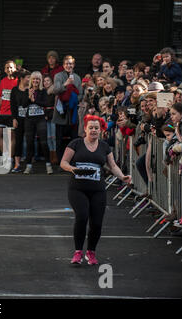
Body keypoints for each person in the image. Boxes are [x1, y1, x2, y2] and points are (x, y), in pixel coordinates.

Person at [60, 114, 131, 265]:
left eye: (96, 128)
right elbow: (63, 162)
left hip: (98, 189)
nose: (93, 130)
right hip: (77, 189)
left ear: (101, 130)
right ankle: (78, 252)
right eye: (90, 128)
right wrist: (73, 169)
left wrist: (122, 177)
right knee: (82, 216)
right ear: (85, 129)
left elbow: (112, 166)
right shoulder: (76, 144)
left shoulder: (104, 147)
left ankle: (91, 252)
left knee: (97, 222)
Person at [52, 55, 83, 162]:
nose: (69, 65)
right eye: (66, 64)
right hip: (61, 112)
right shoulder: (58, 76)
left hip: (73, 112)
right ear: (63, 65)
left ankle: (74, 160)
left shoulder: (78, 78)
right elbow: (56, 90)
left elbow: (81, 95)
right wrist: (66, 84)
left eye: (71, 63)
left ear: (73, 65)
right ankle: (61, 161)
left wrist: (73, 100)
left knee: (74, 139)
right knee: (59, 140)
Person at [24, 71, 53, 174]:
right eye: (34, 79)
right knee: (29, 143)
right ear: (31, 80)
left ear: (40, 81)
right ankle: (28, 165)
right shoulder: (27, 90)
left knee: (44, 142)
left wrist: (34, 100)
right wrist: (28, 97)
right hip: (29, 120)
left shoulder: (43, 91)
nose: (36, 81)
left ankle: (48, 164)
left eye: (38, 79)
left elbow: (45, 103)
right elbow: (23, 105)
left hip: (40, 118)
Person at [0, 60, 18, 170]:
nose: (9, 69)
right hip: (2, 112)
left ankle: (9, 160)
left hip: (12, 113)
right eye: (7, 67)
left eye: (11, 67)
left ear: (15, 69)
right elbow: (0, 97)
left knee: (11, 137)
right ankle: (6, 156)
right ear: (4, 69)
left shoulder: (18, 81)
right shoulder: (2, 81)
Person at [10, 69, 31, 172]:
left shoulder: (31, 89)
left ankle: (28, 164)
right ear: (22, 79)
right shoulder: (14, 90)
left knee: (29, 141)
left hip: (29, 118)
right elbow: (13, 105)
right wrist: (14, 118)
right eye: (28, 77)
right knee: (18, 140)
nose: (30, 79)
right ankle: (17, 164)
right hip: (18, 118)